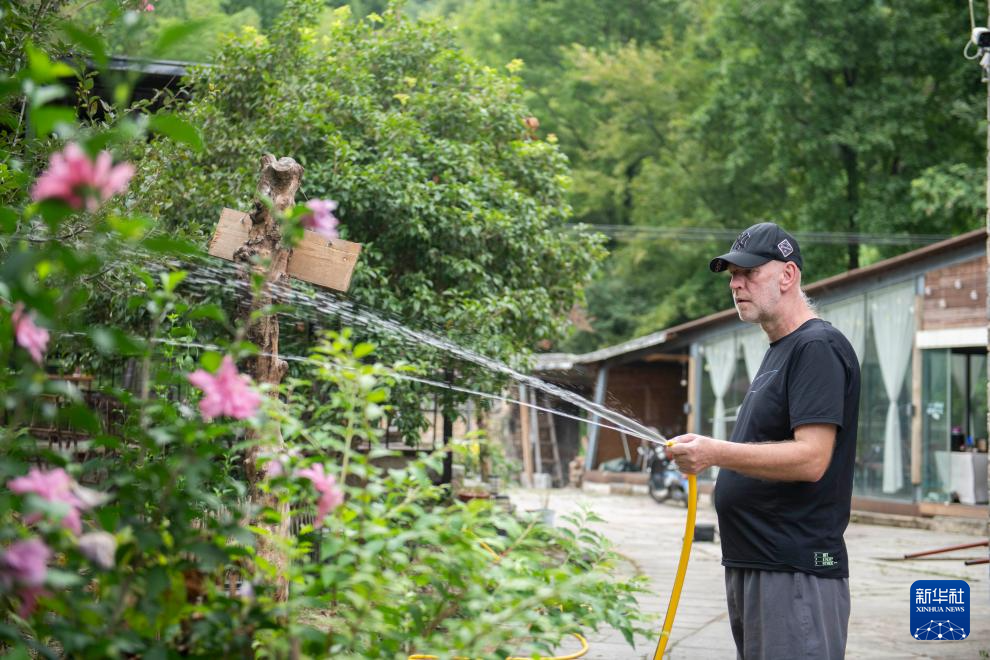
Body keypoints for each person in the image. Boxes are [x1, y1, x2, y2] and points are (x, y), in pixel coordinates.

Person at [669, 222, 861, 660]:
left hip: (793, 571)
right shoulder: (780, 350)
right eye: (732, 275)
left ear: (787, 276)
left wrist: (713, 453)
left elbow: (812, 458)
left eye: (749, 272)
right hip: (757, 564)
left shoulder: (817, 347)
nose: (736, 284)